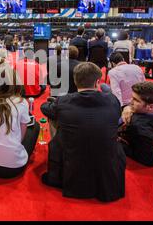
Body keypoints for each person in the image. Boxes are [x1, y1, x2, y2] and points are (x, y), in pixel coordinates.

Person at [40, 62, 125, 202]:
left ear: (75, 80)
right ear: (98, 81)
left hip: (72, 157)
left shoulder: (63, 101)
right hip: (108, 164)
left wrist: (52, 103)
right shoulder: (112, 100)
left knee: (55, 118)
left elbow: (45, 108)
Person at [118, 82, 153, 167]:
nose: (131, 101)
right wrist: (128, 108)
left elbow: (149, 161)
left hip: (130, 138)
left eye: (135, 100)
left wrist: (117, 143)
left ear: (151, 107)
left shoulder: (140, 128)